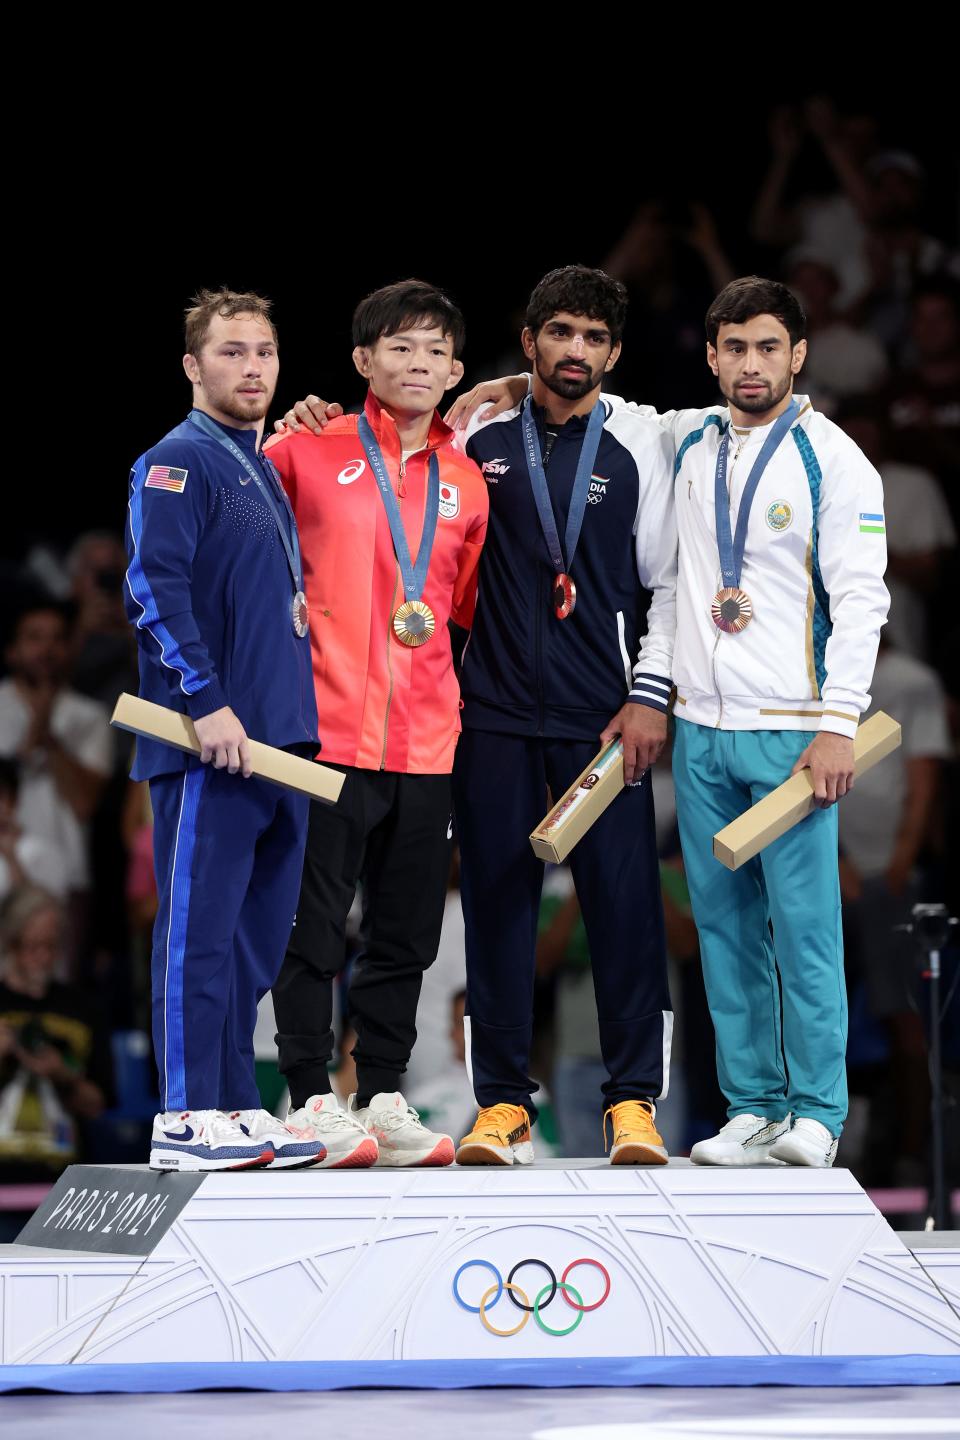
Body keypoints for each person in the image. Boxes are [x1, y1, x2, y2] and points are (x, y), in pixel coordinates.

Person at [449, 275, 890, 1168]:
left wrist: (839, 719)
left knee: (789, 926)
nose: (753, 364)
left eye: (770, 347)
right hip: (671, 725)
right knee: (716, 927)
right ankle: (745, 1107)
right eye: (736, 348)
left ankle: (797, 1111)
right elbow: (560, 406)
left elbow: (857, 596)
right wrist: (487, 389)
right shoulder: (682, 436)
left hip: (767, 723)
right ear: (711, 356)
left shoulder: (830, 460)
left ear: (798, 356)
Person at [278, 268, 677, 1168]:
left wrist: (650, 692)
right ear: (528, 340)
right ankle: (500, 1102)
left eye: (594, 338)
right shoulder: (477, 431)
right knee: (494, 903)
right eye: (560, 333)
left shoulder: (648, 442)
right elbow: (442, 568)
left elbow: (673, 583)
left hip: (604, 715)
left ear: (614, 353)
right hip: (488, 713)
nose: (576, 351)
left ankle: (634, 1103)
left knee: (626, 906)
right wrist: (308, 413)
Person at [265, 281, 488, 1167]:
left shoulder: (467, 481)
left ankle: (386, 1096)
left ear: (456, 371)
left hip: (429, 740)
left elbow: (455, 613)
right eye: (400, 347)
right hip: (323, 735)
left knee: (406, 933)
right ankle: (312, 1097)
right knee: (314, 926)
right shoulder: (305, 449)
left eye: (436, 351)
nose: (419, 364)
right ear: (362, 361)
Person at [124, 288, 324, 1172]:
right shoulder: (175, 461)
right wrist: (204, 701)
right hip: (212, 742)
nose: (252, 367)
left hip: (281, 745)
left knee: (252, 942)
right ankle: (183, 1113)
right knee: (197, 933)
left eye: (265, 353)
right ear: (192, 366)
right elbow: (151, 586)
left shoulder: (258, 463)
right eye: (232, 351)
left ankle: (235, 1105)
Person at [0, 602, 111, 906]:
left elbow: (84, 804)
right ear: (11, 651)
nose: (46, 649)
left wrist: (49, 736)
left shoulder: (90, 716)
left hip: (68, 872)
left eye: (57, 639)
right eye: (34, 638)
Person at [0, 887, 111, 1176]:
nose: (43, 957)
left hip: (64, 1175)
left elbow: (99, 1105)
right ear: (11, 944)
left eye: (52, 946)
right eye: (32, 945)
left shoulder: (83, 1009)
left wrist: (63, 1074)